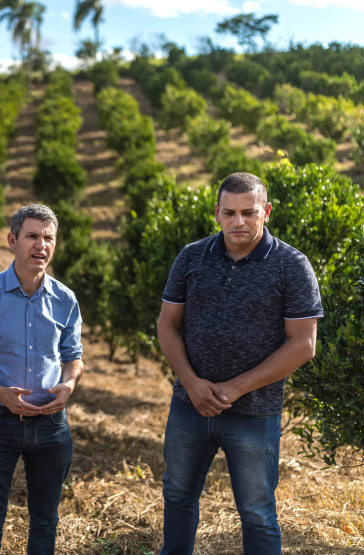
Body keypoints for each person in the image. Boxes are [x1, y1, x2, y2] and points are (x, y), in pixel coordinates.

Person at [156, 172, 322, 555]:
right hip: (189, 407)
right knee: (178, 497)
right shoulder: (191, 257)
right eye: (229, 212)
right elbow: (167, 324)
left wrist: (235, 388)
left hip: (253, 413)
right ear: (216, 213)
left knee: (257, 512)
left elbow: (303, 345)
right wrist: (193, 383)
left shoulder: (291, 265)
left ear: (266, 212)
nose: (238, 222)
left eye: (248, 212)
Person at [0, 203, 84, 555]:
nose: (40, 245)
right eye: (32, 236)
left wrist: (69, 385)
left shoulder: (65, 300)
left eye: (48, 238)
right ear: (12, 240)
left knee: (46, 519)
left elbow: (74, 357)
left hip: (50, 424)